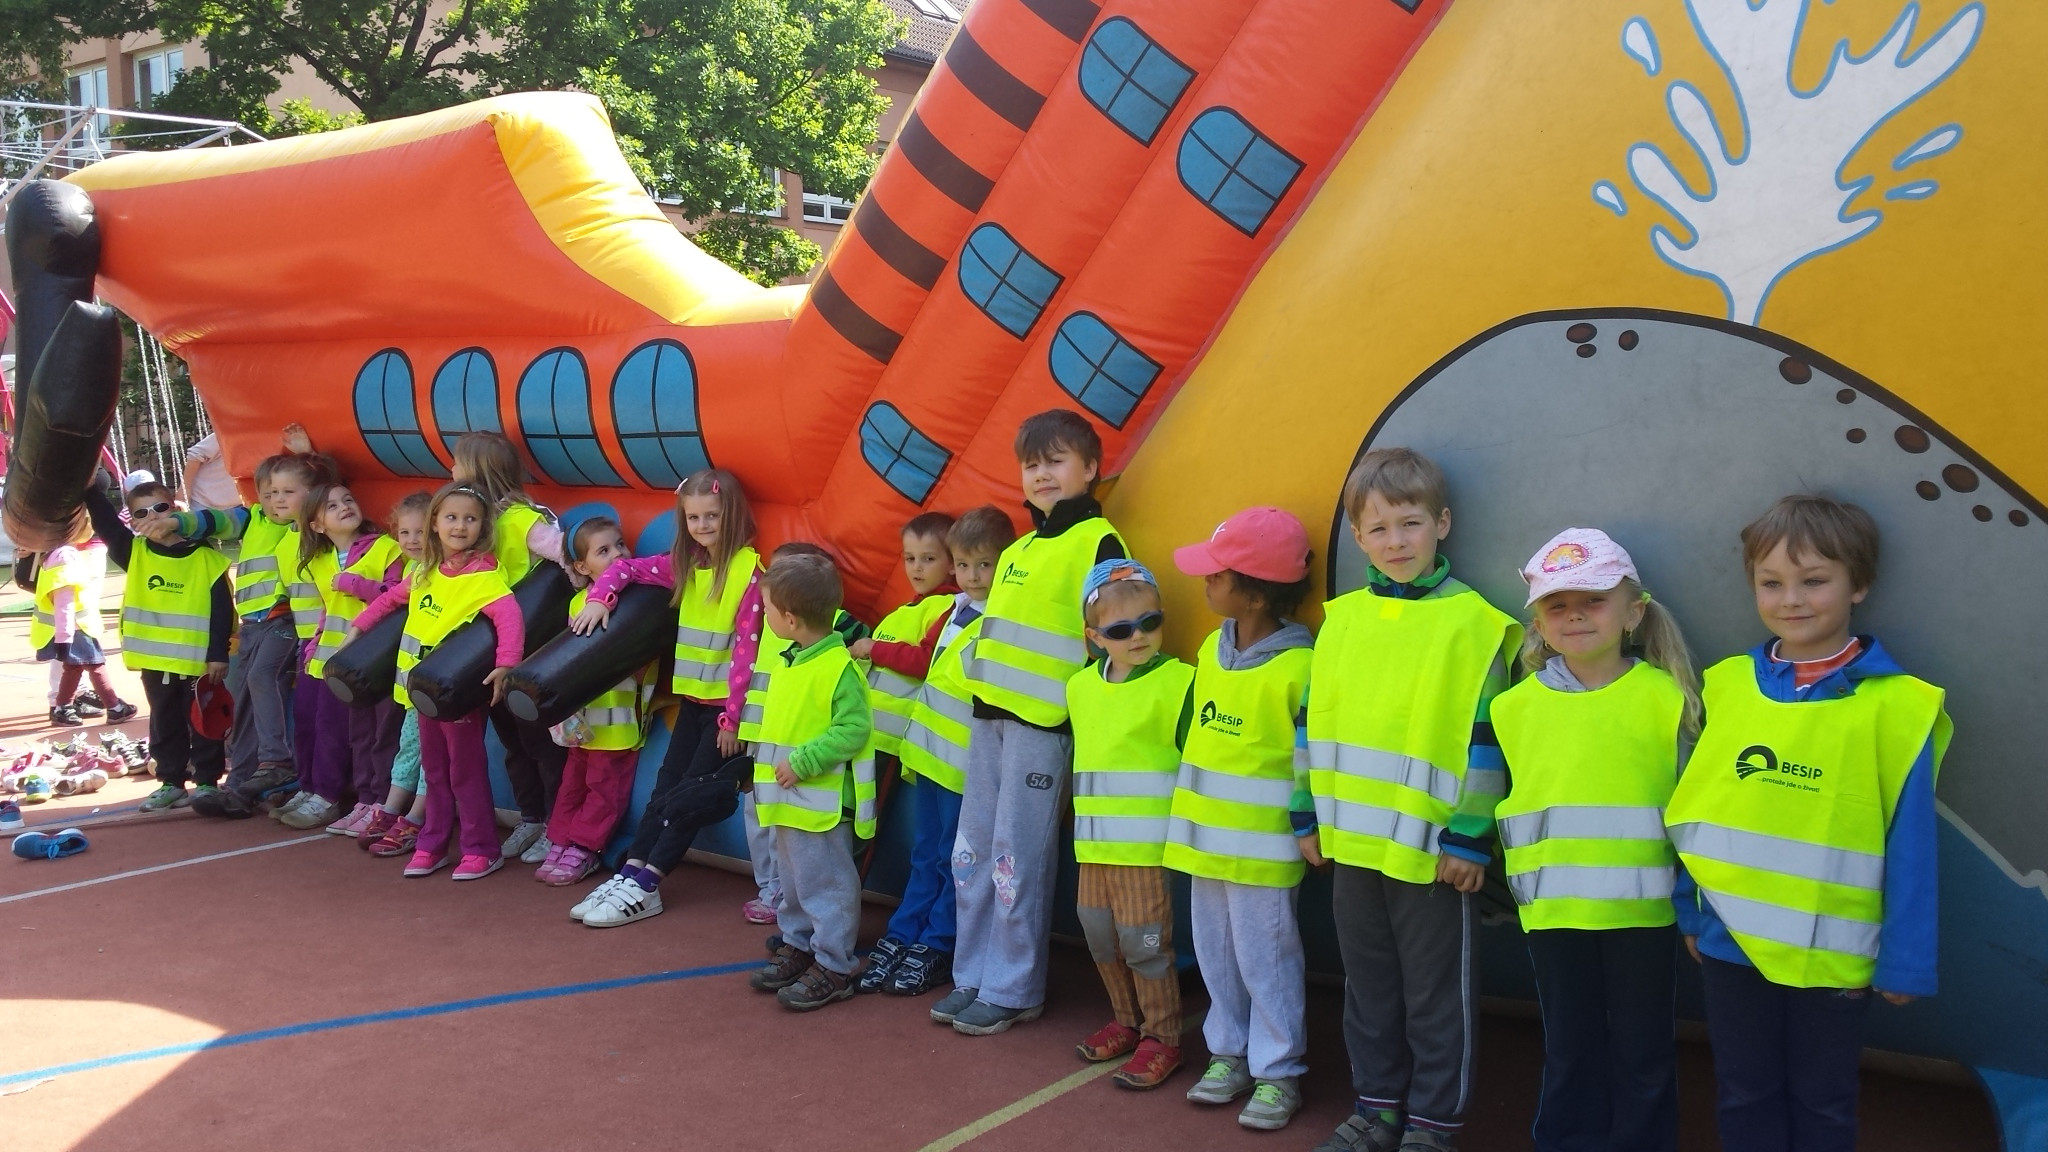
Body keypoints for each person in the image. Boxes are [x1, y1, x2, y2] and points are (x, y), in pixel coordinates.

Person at [1666, 496, 1946, 1152]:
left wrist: (1906, 960)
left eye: (1814, 580)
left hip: (1833, 955)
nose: (1791, 599)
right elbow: (1699, 809)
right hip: (1732, 943)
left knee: (1823, 1103)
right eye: (1771, 583)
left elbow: (1912, 844)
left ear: (1859, 584)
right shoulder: (1727, 686)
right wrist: (1689, 910)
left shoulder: (1898, 706)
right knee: (1744, 1092)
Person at [1306, 447, 1520, 1152]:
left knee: (1435, 993)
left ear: (1442, 523)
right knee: (1368, 987)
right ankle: (1378, 1109)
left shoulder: (1474, 624)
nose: (1396, 541)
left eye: (1411, 523)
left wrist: (1468, 839)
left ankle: (1432, 1122)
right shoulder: (1341, 620)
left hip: (1433, 851)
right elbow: (1311, 723)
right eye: (1379, 528)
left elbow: (1486, 740)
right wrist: (1306, 814)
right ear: (1358, 537)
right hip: (1352, 843)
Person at [1491, 528, 1701, 1152]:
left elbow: (1695, 815)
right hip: (1554, 917)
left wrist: (1694, 904)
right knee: (1570, 1048)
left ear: (1634, 613)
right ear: (1538, 623)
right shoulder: (1513, 708)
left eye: (1594, 600)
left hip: (1644, 917)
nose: (1575, 614)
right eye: (1557, 604)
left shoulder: (1667, 698)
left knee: (1644, 1052)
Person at [938, 409, 1126, 1037]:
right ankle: (973, 975)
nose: (1041, 474)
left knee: (1015, 859)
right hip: (989, 722)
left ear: (1090, 468)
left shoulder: (1099, 543)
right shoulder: (1017, 548)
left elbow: (1112, 639)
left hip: (1043, 730)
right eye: (1031, 464)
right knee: (972, 856)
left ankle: (1013, 988)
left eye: (1055, 461)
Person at [1167, 510, 1317, 1127]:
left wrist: (1308, 828)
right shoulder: (1210, 648)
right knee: (1216, 955)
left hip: (1264, 854)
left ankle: (1278, 1073)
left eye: (1216, 575)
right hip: (1203, 844)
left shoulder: (1301, 667)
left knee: (1268, 962)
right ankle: (1227, 1053)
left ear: (1254, 594)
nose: (1204, 583)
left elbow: (1308, 763)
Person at [567, 467, 763, 927]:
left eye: (712, 515)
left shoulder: (749, 574)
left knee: (689, 799)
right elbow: (623, 568)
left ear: (732, 514)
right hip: (693, 704)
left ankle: (649, 883)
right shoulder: (686, 564)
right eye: (693, 517)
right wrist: (599, 598)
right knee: (665, 787)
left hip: (723, 716)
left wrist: (734, 720)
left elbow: (748, 655)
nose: (702, 525)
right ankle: (631, 870)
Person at [865, 507, 1014, 996]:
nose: (973, 576)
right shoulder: (952, 611)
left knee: (958, 860)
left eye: (984, 565)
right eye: (964, 565)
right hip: (928, 759)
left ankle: (938, 942)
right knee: (925, 852)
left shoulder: (1003, 621)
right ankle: (904, 931)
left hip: (964, 770)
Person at [347, 484, 524, 881]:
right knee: (435, 770)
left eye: (470, 519)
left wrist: (506, 664)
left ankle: (481, 849)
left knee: (464, 771)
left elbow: (509, 615)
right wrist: (358, 628)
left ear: (482, 527)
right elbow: (390, 600)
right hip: (421, 693)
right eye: (451, 517)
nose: (460, 526)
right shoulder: (425, 571)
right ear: (435, 524)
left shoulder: (483, 575)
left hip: (455, 693)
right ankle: (432, 843)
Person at [1065, 560, 1194, 1090]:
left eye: (1150, 622)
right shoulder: (1079, 687)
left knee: (1145, 944)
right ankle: (1126, 1020)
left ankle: (1163, 1037)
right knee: (1100, 938)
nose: (1138, 636)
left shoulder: (1180, 681)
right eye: (1120, 630)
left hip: (1145, 849)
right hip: (1093, 847)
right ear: (1095, 637)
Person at [172, 428, 333, 818]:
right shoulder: (254, 518)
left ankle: (276, 760)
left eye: (287, 492)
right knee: (241, 694)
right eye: (270, 492)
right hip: (252, 625)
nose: (278, 499)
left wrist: (309, 455)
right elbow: (217, 521)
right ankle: (241, 781)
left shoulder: (306, 524)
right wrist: (178, 524)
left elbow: (329, 490)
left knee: (263, 678)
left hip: (282, 620)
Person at [743, 551, 876, 1010]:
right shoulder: (792, 660)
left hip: (820, 804)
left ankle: (836, 966)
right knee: (795, 882)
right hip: (790, 802)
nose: (763, 617)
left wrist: (804, 762)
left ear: (790, 618)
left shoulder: (837, 668)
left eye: (767, 609)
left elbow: (854, 729)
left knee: (827, 885)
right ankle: (799, 944)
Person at [848, 511, 960, 991]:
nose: (916, 567)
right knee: (855, 827)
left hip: (898, 747)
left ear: (951, 562)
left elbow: (926, 661)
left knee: (875, 832)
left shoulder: (948, 608)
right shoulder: (905, 609)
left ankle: (850, 925)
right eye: (910, 558)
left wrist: (873, 649)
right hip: (867, 739)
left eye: (928, 558)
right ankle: (849, 920)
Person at [448, 432, 572, 865]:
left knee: (540, 741)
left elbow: (563, 552)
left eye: (456, 463)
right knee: (512, 741)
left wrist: (587, 584)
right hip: (490, 648)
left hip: (529, 648)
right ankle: (531, 816)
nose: (450, 470)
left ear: (477, 470)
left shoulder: (519, 518)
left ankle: (556, 824)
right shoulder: (475, 521)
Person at [84, 482, 232, 811]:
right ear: (133, 522)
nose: (152, 516)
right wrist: (90, 490)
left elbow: (222, 610)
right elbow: (106, 525)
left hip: (198, 663)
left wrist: (217, 654)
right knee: (165, 723)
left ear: (175, 511)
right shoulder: (134, 552)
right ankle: (171, 783)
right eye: (141, 513)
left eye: (160, 508)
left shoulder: (206, 558)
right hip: (156, 662)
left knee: (204, 723)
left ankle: (208, 783)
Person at [536, 516, 655, 885]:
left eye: (620, 544)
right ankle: (559, 839)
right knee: (573, 782)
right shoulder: (579, 604)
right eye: (603, 551)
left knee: (605, 789)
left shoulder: (636, 599)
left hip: (619, 724)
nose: (618, 554)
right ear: (582, 567)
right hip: (583, 722)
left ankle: (584, 846)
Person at [283, 482, 405, 834]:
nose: (344, 507)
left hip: (372, 658)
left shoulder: (385, 548)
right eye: (332, 506)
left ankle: (346, 797)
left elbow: (398, 595)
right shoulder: (319, 561)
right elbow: (328, 607)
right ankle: (349, 796)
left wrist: (355, 584)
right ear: (316, 525)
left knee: (369, 734)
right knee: (334, 729)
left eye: (348, 499)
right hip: (332, 658)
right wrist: (314, 646)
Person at [358, 493, 432, 851]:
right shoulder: (415, 572)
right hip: (412, 685)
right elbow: (388, 600)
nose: (412, 540)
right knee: (408, 748)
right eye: (405, 532)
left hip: (438, 685)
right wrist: (357, 629)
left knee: (432, 758)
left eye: (421, 532)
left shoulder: (444, 574)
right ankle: (391, 809)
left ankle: (416, 817)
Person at [31, 521, 135, 726]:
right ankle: (114, 707)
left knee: (74, 668)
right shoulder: (65, 556)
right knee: (96, 665)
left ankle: (62, 708)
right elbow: (64, 602)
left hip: (73, 627)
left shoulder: (57, 554)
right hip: (76, 628)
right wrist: (64, 637)